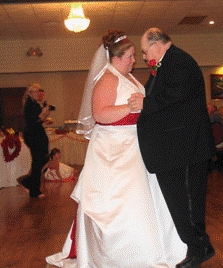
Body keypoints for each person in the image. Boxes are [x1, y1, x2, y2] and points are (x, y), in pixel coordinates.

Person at [46, 29, 187, 267]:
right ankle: (121, 254)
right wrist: (131, 107)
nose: (135, 59)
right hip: (114, 148)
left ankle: (154, 248)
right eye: (130, 56)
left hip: (134, 143)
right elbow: (100, 114)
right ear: (116, 57)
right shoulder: (107, 79)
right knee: (123, 201)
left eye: (134, 55)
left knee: (145, 197)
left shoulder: (129, 78)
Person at [128, 27, 215, 268]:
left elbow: (174, 98)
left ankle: (200, 248)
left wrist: (144, 102)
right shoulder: (169, 63)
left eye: (145, 51)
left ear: (157, 44)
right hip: (175, 149)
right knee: (181, 203)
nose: (144, 57)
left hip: (186, 149)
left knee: (187, 203)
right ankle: (198, 246)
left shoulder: (179, 62)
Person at [19, 83, 50, 198]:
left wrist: (46, 111)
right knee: (38, 161)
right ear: (30, 93)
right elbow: (38, 119)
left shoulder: (34, 104)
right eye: (37, 91)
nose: (39, 93)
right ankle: (33, 189)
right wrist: (45, 110)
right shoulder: (30, 104)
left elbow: (40, 119)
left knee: (42, 159)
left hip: (36, 133)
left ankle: (28, 183)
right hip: (33, 134)